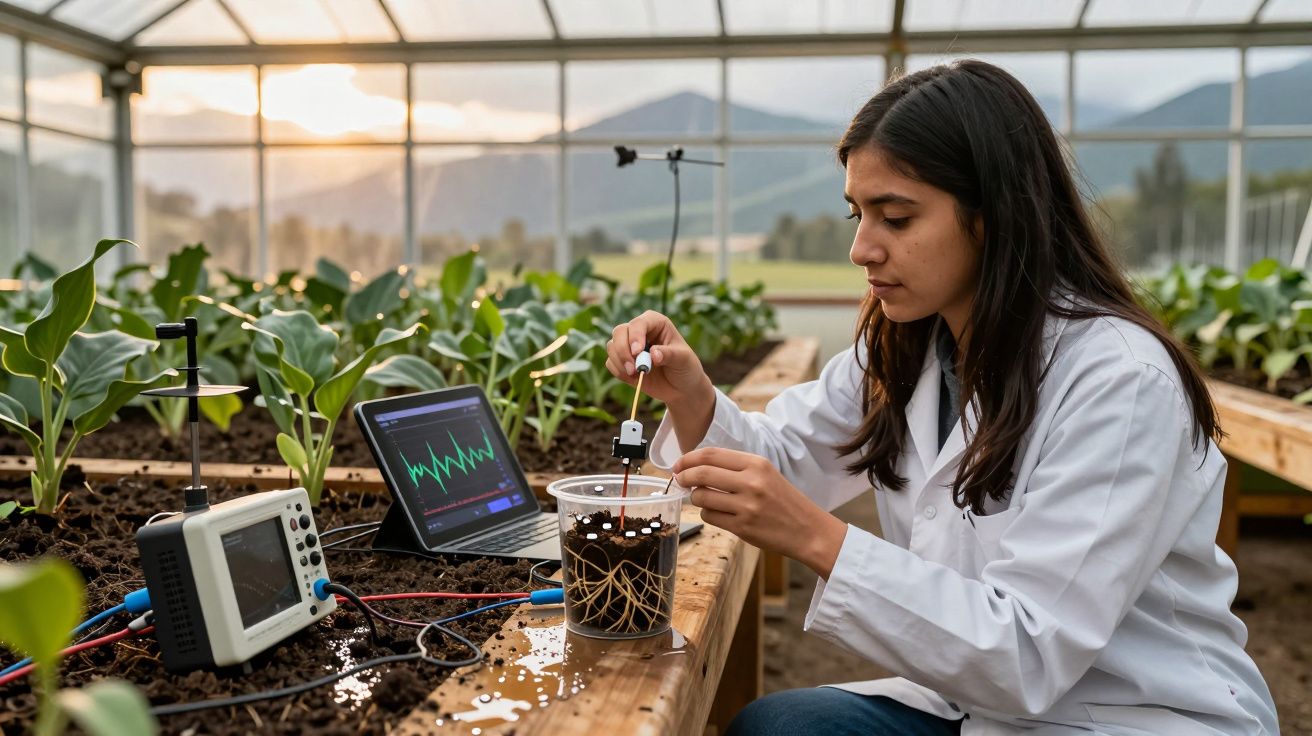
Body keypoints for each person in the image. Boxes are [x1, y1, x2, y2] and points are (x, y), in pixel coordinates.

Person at [603, 60, 1278, 735]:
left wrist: (816, 537)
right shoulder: (907, 350)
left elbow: (1030, 651)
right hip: (981, 707)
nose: (861, 248)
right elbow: (780, 460)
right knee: (776, 727)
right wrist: (691, 395)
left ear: (991, 216)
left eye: (895, 217)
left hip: (1126, 716)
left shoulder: (1121, 382)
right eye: (858, 214)